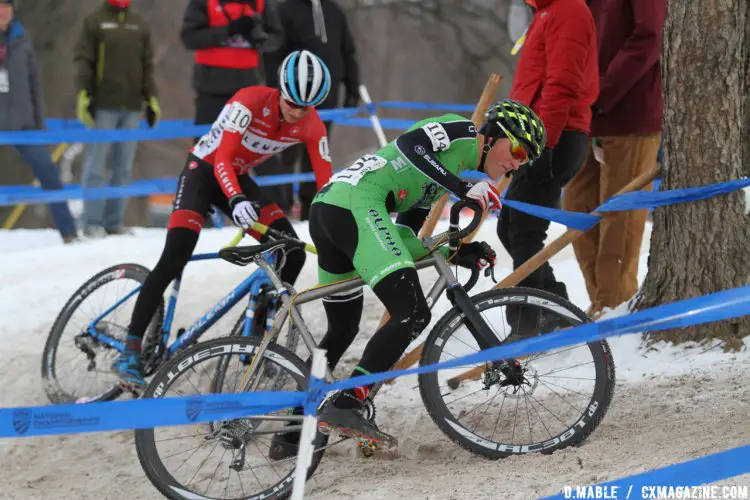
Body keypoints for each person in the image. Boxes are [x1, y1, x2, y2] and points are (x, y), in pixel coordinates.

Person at [269, 99, 547, 457]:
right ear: (494, 136)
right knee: (413, 311)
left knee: (342, 330)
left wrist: (457, 253)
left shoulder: (434, 179)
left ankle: (291, 435)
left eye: (525, 161)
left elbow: (404, 240)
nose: (516, 163)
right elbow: (410, 146)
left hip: (335, 209)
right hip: (356, 203)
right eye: (519, 150)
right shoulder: (464, 133)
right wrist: (461, 189)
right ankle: (348, 402)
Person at [111, 50, 333, 387]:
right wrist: (236, 198)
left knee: (292, 251)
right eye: (292, 104)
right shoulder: (249, 101)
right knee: (177, 254)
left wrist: (334, 225)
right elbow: (223, 159)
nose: (297, 113)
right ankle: (130, 348)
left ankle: (258, 339)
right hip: (205, 169)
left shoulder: (311, 124)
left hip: (238, 176)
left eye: (306, 107)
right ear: (280, 91)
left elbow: (325, 186)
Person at [497, 0, 598, 331]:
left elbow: (562, 83)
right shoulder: (544, 12)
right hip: (536, 135)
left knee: (524, 232)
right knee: (509, 226)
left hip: (554, 137)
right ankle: (556, 309)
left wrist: (543, 143)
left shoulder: (568, 9)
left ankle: (525, 324)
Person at [563, 0, 666, 316]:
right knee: (576, 205)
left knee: (619, 219)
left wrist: (601, 90)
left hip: (629, 111)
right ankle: (602, 303)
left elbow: (650, 36)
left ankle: (615, 307)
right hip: (585, 113)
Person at [260, 0, 360, 219]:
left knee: (317, 149)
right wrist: (274, 89)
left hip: (327, 95)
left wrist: (352, 88)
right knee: (286, 150)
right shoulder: (284, 9)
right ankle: (282, 205)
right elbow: (273, 52)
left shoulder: (334, 11)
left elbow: (347, 51)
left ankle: (312, 207)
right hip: (293, 96)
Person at [74, 0, 161, 237]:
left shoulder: (138, 24)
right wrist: (84, 93)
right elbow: (83, 60)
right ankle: (91, 221)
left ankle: (114, 221)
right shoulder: (95, 21)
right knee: (96, 164)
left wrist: (151, 97)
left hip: (132, 105)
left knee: (123, 166)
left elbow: (147, 64)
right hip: (103, 104)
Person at [0, 0, 78, 243]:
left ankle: (68, 231)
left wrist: (38, 120)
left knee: (48, 173)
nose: (3, 11)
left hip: (23, 123)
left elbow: (34, 81)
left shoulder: (22, 39)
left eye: (6, 6)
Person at [180, 0, 284, 130]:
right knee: (207, 143)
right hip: (211, 89)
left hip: (249, 88)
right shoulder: (203, 3)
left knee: (247, 143)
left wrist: (258, 39)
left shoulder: (261, 3)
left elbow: (277, 38)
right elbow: (189, 38)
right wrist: (228, 31)